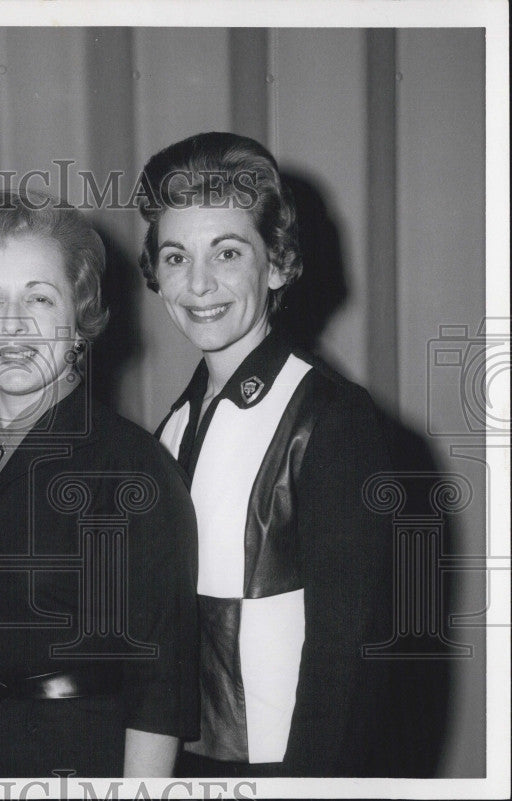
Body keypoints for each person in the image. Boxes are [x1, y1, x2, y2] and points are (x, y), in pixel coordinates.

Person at [0, 191, 199, 778]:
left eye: (39, 297)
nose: (12, 323)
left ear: (81, 318)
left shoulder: (130, 466)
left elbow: (160, 680)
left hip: (76, 756)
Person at [137, 132, 394, 777]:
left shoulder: (331, 419)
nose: (198, 284)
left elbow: (349, 656)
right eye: (175, 257)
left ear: (276, 264)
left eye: (227, 252)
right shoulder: (172, 426)